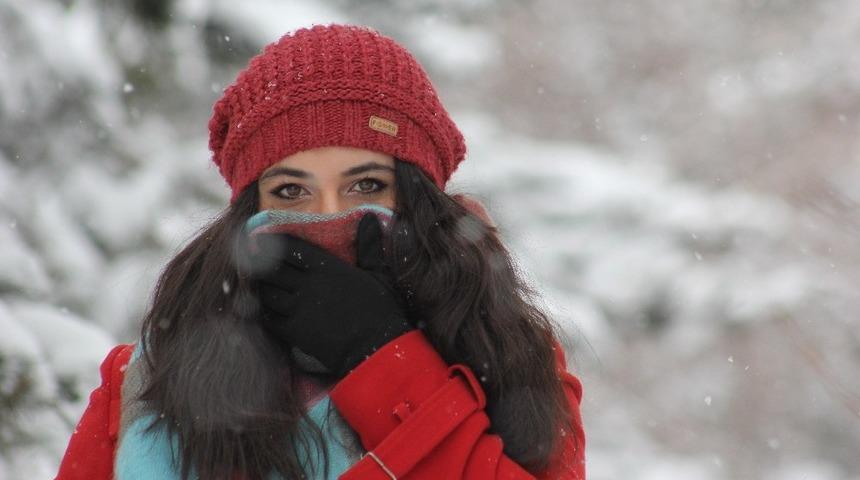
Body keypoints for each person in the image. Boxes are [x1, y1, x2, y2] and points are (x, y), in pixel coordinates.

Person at [55, 24, 586, 480]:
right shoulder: (151, 382)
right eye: (291, 192)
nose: (328, 216)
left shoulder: (511, 360)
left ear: (419, 200)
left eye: (367, 186)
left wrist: (381, 357)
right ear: (248, 211)